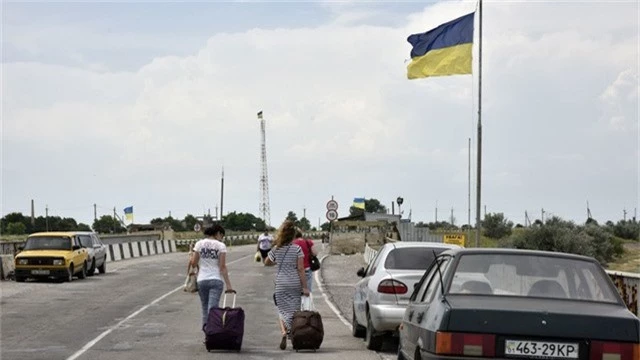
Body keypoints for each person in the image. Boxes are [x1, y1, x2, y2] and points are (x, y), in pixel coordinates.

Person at [264, 220, 310, 350]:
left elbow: (266, 262)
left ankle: (284, 332)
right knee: (295, 311)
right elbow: (301, 269)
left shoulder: (276, 249)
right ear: (293, 236)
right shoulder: (297, 249)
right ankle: (294, 332)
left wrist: (277, 263)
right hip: (294, 283)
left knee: (282, 310)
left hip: (281, 284)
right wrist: (305, 287)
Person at [189, 224, 234, 331]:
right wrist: (229, 285)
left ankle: (207, 334)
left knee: (205, 309)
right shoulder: (220, 246)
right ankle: (212, 332)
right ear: (218, 233)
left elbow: (194, 263)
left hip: (202, 280)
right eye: (222, 236)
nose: (221, 239)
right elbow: (222, 267)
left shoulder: (199, 244)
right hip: (216, 280)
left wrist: (191, 256)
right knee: (213, 309)